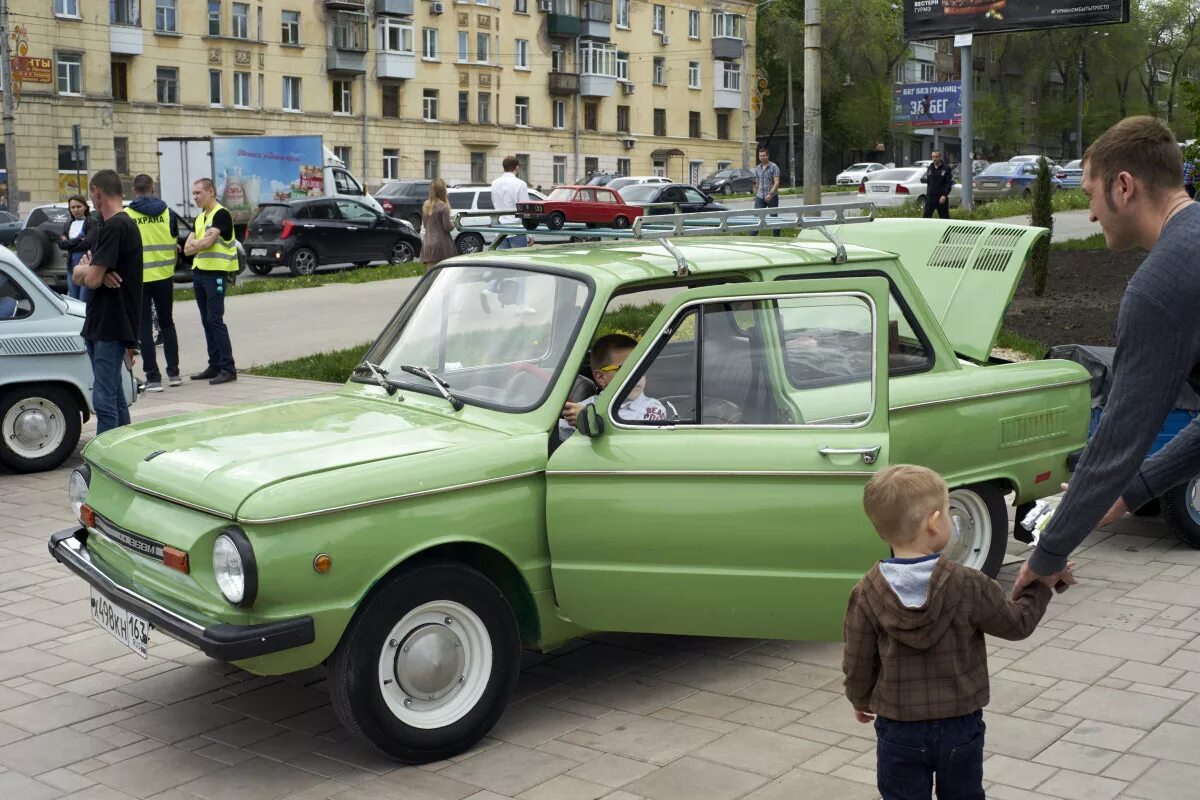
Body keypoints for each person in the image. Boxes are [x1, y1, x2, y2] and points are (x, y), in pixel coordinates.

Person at [1013, 115, 1200, 596]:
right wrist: (1133, 490)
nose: (1091, 214)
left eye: (1089, 194)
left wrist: (1048, 552)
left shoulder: (1159, 288)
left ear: (1124, 187)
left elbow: (1121, 435)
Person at [843, 465, 1071, 800]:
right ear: (935, 522)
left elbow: (858, 659)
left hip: (898, 726)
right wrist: (1041, 586)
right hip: (960, 724)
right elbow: (1017, 624)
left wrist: (859, 698)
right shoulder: (968, 583)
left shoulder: (867, 591)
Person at [72, 170, 143, 435]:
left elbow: (88, 278)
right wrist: (92, 272)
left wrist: (88, 271)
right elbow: (91, 275)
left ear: (96, 191)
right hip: (102, 321)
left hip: (110, 324)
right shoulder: (114, 226)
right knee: (111, 393)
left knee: (104, 397)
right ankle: (124, 448)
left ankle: (105, 459)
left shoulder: (115, 226)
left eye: (91, 194)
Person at [126, 174, 180, 392]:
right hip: (164, 276)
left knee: (144, 329)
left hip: (139, 279)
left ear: (134, 190)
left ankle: (153, 378)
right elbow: (175, 240)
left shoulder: (128, 214)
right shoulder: (168, 213)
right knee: (167, 323)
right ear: (152, 188)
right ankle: (174, 374)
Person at [559, 333, 666, 441]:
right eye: (626, 368)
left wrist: (591, 422)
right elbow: (559, 437)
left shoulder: (652, 409)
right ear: (601, 377)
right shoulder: (584, 407)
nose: (637, 374)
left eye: (641, 366)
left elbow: (639, 444)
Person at [183, 177, 238, 385]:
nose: (195, 197)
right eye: (194, 193)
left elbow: (206, 243)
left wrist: (198, 243)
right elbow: (188, 248)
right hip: (199, 273)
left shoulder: (221, 214)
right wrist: (199, 243)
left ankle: (228, 368)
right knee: (207, 321)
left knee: (215, 320)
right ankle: (214, 365)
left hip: (216, 274)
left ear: (211, 192)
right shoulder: (200, 218)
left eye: (199, 193)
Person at [58, 195, 96, 302]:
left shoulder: (91, 222)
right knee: (73, 300)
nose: (76, 210)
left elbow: (87, 243)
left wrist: (68, 242)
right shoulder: (68, 224)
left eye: (78, 206)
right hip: (71, 267)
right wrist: (79, 239)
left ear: (85, 207)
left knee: (83, 300)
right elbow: (61, 244)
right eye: (72, 207)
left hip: (85, 268)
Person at [491, 155, 531, 248]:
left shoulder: (495, 183)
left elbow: (495, 204)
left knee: (503, 261)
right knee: (519, 260)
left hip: (500, 230)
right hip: (517, 229)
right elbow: (526, 210)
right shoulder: (521, 184)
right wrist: (530, 235)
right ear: (517, 167)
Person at [419, 178, 456, 271]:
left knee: (431, 276)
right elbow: (447, 227)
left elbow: (425, 224)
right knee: (443, 276)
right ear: (443, 191)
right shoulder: (444, 207)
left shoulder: (426, 206)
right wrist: (454, 223)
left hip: (428, 244)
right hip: (442, 245)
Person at [751, 146, 781, 237]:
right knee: (757, 218)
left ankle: (777, 239)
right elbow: (757, 181)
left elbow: (777, 182)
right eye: (760, 156)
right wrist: (756, 193)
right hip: (760, 196)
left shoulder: (774, 167)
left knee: (774, 218)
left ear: (767, 156)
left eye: (764, 155)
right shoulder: (757, 168)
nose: (762, 157)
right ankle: (751, 238)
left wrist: (770, 194)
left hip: (772, 196)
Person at [921, 151, 954, 219]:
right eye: (933, 157)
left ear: (940, 157)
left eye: (936, 157)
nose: (934, 159)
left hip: (941, 197)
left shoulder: (946, 168)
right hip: (930, 197)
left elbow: (948, 183)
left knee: (944, 218)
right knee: (926, 217)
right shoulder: (930, 167)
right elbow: (928, 180)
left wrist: (944, 195)